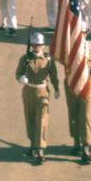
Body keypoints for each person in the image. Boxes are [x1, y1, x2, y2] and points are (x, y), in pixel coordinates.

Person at [15, 30, 60, 164]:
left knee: (42, 121)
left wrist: (56, 88)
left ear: (43, 45)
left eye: (38, 45)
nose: (36, 47)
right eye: (34, 45)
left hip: (42, 92)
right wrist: (20, 78)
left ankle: (40, 149)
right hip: (28, 91)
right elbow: (18, 73)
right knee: (30, 119)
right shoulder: (25, 58)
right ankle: (33, 145)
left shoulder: (49, 59)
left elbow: (54, 76)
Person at [64, 33, 91, 163]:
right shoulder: (68, 47)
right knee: (73, 114)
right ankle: (76, 142)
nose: (81, 35)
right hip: (72, 84)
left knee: (85, 117)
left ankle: (86, 148)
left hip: (87, 85)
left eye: (83, 32)